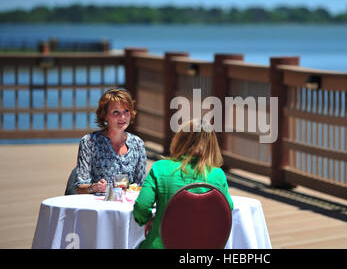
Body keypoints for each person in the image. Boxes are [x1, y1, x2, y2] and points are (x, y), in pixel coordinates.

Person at [133, 119, 234, 249]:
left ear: (179, 139)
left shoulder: (160, 168)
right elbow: (227, 209)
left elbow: (141, 206)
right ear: (212, 145)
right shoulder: (217, 174)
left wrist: (147, 219)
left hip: (161, 244)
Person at [73, 88, 147, 194]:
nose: (122, 117)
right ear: (105, 115)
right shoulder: (89, 142)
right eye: (116, 112)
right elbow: (80, 188)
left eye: (126, 111)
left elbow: (140, 185)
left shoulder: (138, 143)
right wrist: (95, 187)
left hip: (126, 206)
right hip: (97, 206)